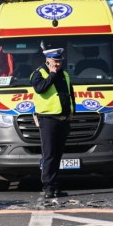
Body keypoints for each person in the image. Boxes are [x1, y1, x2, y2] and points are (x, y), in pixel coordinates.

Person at [31, 47, 75, 200]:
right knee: (49, 154)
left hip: (63, 119)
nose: (57, 64)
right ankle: (48, 186)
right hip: (48, 119)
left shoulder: (65, 74)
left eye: (59, 61)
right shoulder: (39, 73)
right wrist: (52, 74)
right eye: (55, 61)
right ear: (47, 60)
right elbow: (40, 88)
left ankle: (55, 185)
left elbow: (70, 94)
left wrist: (71, 111)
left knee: (57, 154)